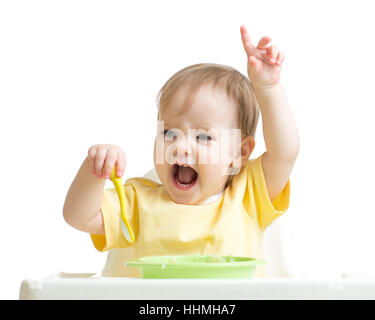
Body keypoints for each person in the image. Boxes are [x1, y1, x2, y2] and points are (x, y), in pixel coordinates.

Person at [63, 26, 299, 277]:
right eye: (169, 133)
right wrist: (94, 171)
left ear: (240, 153)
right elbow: (78, 216)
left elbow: (285, 153)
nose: (181, 146)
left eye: (203, 137)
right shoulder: (139, 202)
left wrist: (268, 89)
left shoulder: (248, 195)